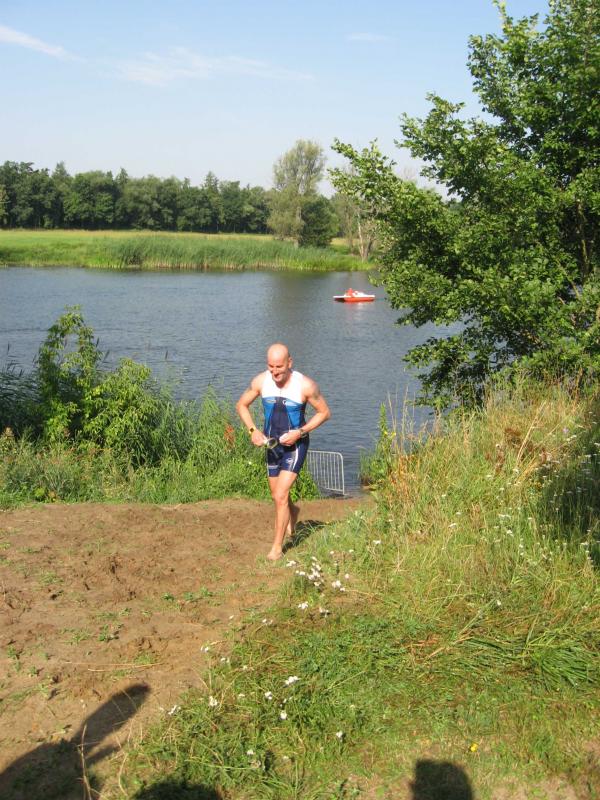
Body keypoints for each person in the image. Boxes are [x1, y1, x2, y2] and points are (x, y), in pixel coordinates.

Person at [236, 343, 331, 561]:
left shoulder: (305, 385)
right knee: (276, 495)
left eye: (279, 367)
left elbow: (324, 413)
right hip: (272, 445)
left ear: (289, 362)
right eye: (271, 366)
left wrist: (300, 432)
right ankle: (293, 511)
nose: (275, 372)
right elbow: (241, 405)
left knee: (280, 495)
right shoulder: (261, 381)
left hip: (296, 446)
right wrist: (253, 430)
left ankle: (277, 548)